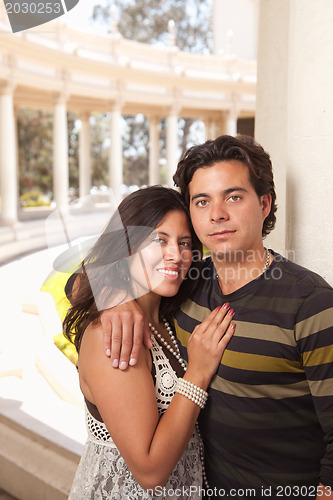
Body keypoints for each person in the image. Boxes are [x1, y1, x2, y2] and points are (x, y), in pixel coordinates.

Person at [101, 135, 333, 499]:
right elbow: (89, 276)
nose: (217, 214)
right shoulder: (185, 284)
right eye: (202, 201)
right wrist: (117, 300)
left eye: (234, 197)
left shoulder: (310, 303)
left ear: (265, 203)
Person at [63, 185, 235, 499]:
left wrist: (114, 295)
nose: (176, 254)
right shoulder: (113, 333)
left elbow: (77, 280)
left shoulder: (170, 312)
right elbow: (150, 471)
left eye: (185, 243)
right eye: (160, 239)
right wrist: (197, 373)